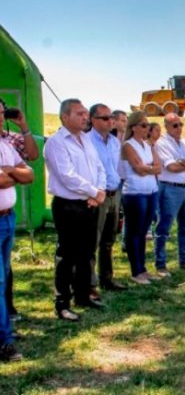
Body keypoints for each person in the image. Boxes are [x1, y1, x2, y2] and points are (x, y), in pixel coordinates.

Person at [45, 99, 107, 321]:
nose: (85, 117)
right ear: (64, 116)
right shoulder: (56, 142)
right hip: (68, 205)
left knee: (86, 252)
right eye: (79, 113)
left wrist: (98, 191)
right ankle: (63, 302)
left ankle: (83, 295)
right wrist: (93, 191)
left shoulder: (86, 140)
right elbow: (66, 175)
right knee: (67, 255)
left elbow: (99, 167)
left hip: (89, 203)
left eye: (85, 113)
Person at [0, 100, 34, 362]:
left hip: (7, 218)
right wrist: (14, 174)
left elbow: (30, 173)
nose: (2, 119)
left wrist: (10, 171)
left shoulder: (5, 143)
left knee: (5, 276)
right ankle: (5, 340)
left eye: (2, 114)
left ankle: (5, 330)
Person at [86, 104, 127, 300]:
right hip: (97, 195)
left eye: (111, 117)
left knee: (109, 240)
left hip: (114, 193)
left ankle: (107, 278)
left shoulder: (114, 142)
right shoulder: (86, 141)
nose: (110, 120)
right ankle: (89, 284)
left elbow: (117, 168)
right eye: (104, 118)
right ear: (93, 120)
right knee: (92, 240)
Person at [154, 113, 185, 276]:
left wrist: (182, 162)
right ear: (166, 126)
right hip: (170, 188)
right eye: (175, 125)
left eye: (180, 124)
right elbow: (171, 167)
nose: (179, 128)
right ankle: (160, 264)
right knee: (164, 227)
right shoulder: (161, 144)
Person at [121, 112, 161, 284]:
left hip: (151, 191)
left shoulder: (148, 146)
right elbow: (138, 168)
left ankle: (143, 268)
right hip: (135, 193)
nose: (147, 129)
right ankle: (135, 270)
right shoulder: (127, 146)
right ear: (134, 127)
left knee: (143, 232)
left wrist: (149, 167)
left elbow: (159, 168)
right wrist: (148, 167)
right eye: (144, 125)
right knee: (134, 232)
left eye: (148, 126)